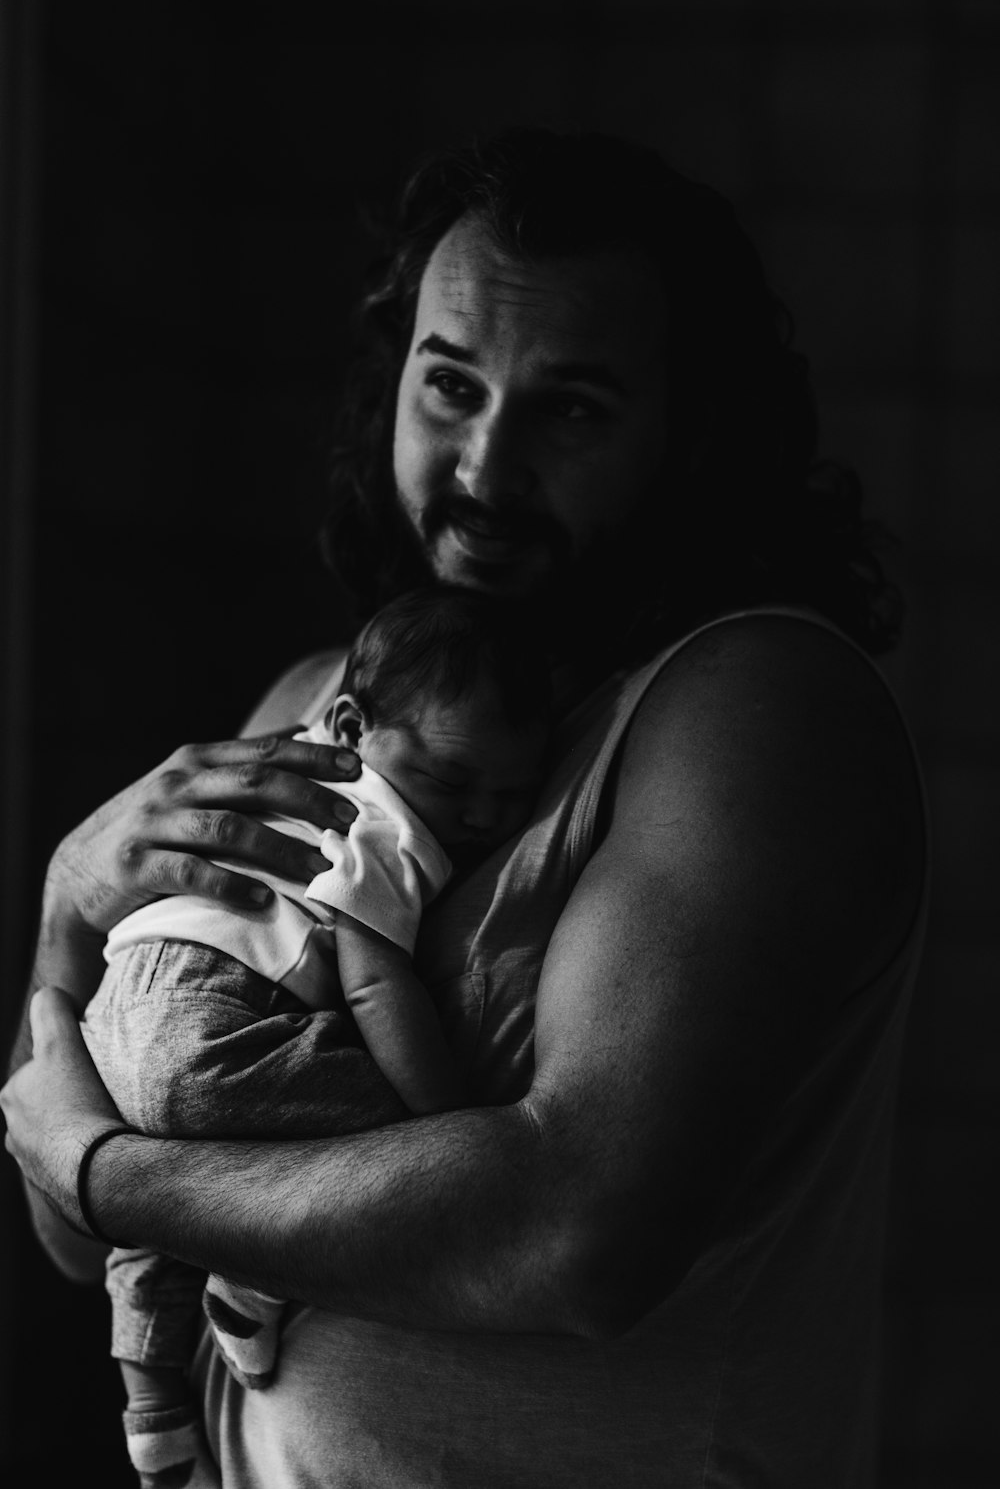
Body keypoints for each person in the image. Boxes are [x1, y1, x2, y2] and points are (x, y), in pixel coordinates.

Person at [3, 127, 927, 1488]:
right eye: (449, 388)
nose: (485, 471)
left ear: (692, 433)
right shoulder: (310, 702)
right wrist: (66, 913)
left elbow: (574, 1235)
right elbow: (62, 1224)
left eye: (570, 409)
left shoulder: (750, 708)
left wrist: (105, 1170)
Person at [79, 586, 550, 1489]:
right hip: (205, 1024)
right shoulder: (381, 821)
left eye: (513, 793)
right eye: (454, 781)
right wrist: (442, 1119)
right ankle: (253, 1275)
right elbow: (377, 982)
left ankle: (154, 1410)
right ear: (349, 725)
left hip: (124, 1002)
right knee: (384, 1139)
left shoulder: (292, 789)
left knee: (154, 1204)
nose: (483, 817)